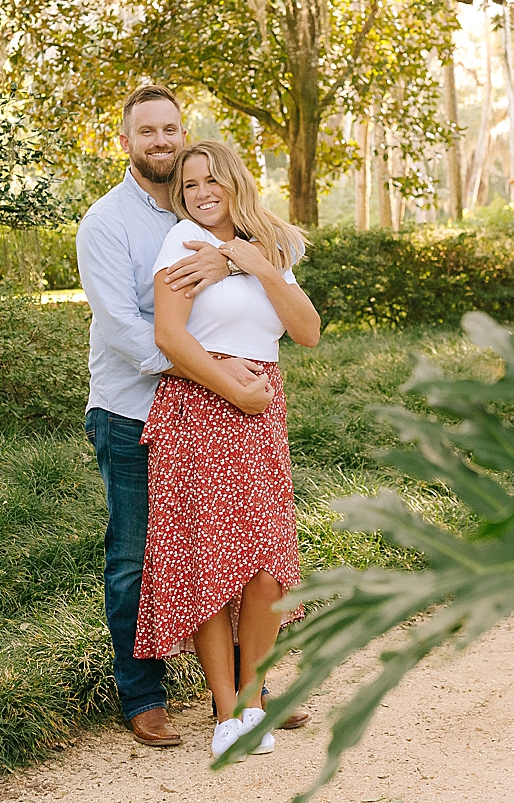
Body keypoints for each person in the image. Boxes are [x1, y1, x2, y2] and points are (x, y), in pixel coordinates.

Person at [134, 140, 320, 760]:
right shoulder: (181, 241)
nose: (202, 193)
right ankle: (226, 713)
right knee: (206, 566)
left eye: (212, 180)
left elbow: (308, 332)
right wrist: (233, 389)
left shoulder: (267, 247)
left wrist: (255, 266)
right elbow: (169, 335)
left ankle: (253, 699)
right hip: (199, 410)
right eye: (189, 185)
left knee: (266, 560)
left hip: (261, 415)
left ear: (235, 181)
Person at [76, 85, 234, 748]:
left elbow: (278, 260)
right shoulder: (106, 224)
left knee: (222, 553)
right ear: (126, 143)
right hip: (131, 412)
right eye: (148, 132)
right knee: (135, 560)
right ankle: (143, 695)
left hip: (207, 412)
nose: (162, 141)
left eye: (171, 128)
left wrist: (231, 255)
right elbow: (126, 332)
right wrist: (220, 374)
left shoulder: (207, 205)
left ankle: (241, 698)